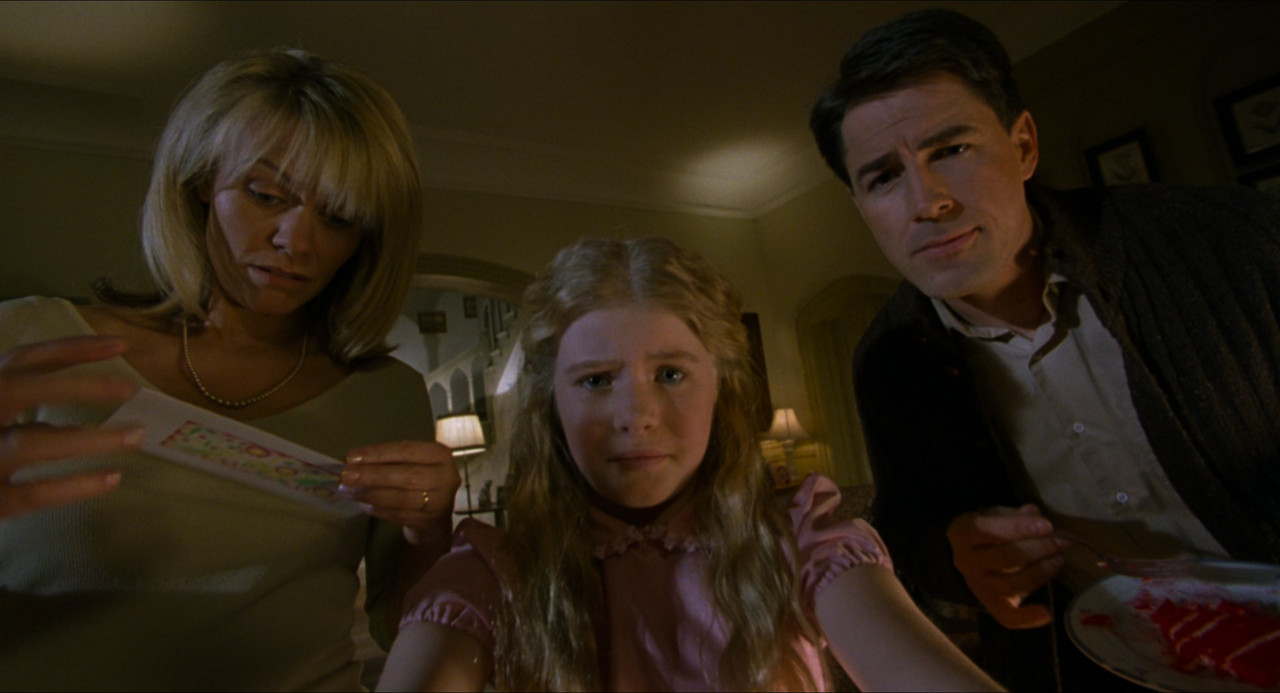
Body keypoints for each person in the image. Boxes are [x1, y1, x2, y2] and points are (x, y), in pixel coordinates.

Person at [808, 8, 1280, 690]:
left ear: (1024, 146)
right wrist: (959, 559)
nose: (927, 202)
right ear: (860, 205)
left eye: (951, 150)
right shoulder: (887, 360)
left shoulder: (1234, 243)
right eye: (883, 177)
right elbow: (914, 530)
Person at [0, 48, 461, 690]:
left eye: (338, 217)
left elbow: (399, 626)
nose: (296, 241)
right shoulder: (29, 341)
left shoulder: (388, 395)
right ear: (198, 184)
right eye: (265, 195)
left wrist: (430, 531)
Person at [375, 236, 1002, 692]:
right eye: (596, 380)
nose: (638, 415)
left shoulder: (802, 543)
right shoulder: (494, 573)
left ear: (720, 387)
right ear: (551, 406)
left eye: (671, 374)